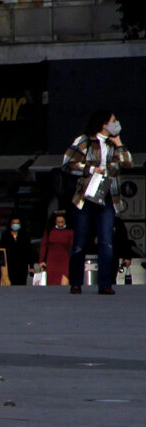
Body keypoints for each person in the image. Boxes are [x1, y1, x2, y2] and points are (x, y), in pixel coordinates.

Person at [63, 109, 131, 295]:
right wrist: (91, 169)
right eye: (113, 120)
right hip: (86, 195)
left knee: (106, 241)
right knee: (81, 241)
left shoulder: (113, 144)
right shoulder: (84, 141)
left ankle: (105, 283)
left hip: (107, 195)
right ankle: (76, 281)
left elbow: (127, 162)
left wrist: (119, 143)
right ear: (103, 123)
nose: (116, 123)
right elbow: (68, 163)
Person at [0, 215, 33, 287]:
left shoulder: (24, 236)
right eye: (14, 223)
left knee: (21, 285)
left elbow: (29, 251)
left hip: (22, 266)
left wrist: (31, 266)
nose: (15, 225)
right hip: (10, 266)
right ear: (10, 224)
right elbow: (2, 251)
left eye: (17, 223)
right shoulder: (5, 236)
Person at [40, 211, 72, 287]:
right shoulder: (49, 231)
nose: (60, 224)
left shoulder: (70, 232)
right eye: (58, 222)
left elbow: (73, 247)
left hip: (64, 262)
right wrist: (41, 261)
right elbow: (44, 246)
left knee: (64, 284)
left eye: (62, 222)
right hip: (51, 262)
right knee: (52, 284)